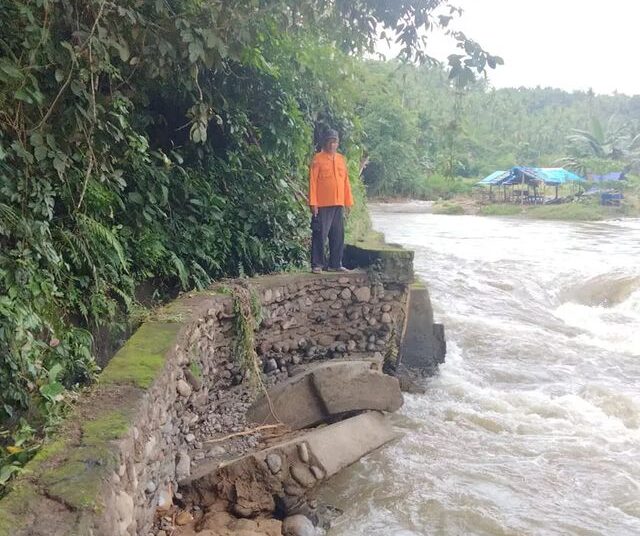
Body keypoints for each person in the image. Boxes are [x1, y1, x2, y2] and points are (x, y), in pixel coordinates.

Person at [308, 129, 353, 273]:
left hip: (338, 203)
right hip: (322, 204)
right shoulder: (318, 159)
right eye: (331, 142)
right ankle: (317, 264)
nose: (333, 145)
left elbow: (346, 182)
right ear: (325, 142)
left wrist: (348, 202)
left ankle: (335, 263)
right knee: (320, 234)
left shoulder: (341, 159)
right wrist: (313, 203)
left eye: (335, 142)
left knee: (338, 234)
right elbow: (313, 182)